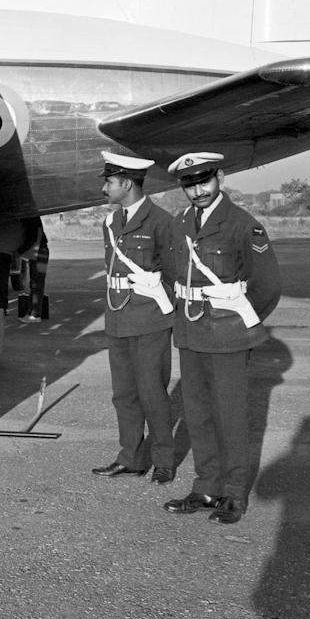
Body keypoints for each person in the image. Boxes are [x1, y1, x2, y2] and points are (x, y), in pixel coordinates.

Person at [162, 152, 281, 525]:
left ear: (221, 178)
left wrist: (240, 321)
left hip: (227, 335)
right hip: (190, 332)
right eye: (190, 184)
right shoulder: (180, 222)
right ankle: (206, 486)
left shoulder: (243, 225)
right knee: (197, 415)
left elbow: (267, 286)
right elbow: (171, 272)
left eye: (204, 181)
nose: (197, 190)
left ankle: (233, 494)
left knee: (229, 417)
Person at [91, 152, 177, 486]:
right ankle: (131, 458)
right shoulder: (111, 223)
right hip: (117, 318)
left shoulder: (161, 222)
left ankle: (163, 460)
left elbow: (174, 276)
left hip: (150, 320)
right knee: (123, 394)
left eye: (109, 182)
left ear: (126, 183)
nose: (104, 189)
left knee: (152, 393)